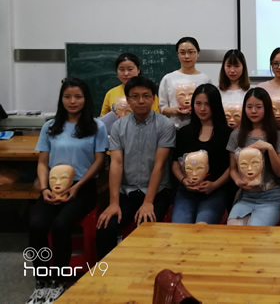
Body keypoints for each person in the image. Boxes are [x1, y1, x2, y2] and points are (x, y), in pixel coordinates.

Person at [28, 78, 108, 303]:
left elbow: (99, 161)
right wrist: (44, 188)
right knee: (36, 225)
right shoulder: (50, 126)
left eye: (78, 97)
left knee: (61, 225)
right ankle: (42, 280)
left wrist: (77, 187)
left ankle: (59, 279)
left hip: (82, 188)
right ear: (61, 99)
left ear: (85, 99)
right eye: (67, 97)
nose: (72, 101)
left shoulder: (97, 126)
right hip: (53, 187)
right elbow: (43, 162)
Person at [96, 76, 175, 259]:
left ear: (153, 99)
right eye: (135, 96)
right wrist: (114, 203)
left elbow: (159, 165)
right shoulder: (118, 126)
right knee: (105, 229)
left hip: (156, 193)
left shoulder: (166, 125)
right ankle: (106, 274)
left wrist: (148, 202)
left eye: (146, 96)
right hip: (127, 192)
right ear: (128, 99)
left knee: (146, 229)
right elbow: (116, 163)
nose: (141, 101)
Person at [171, 84, 232, 224]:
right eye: (198, 103)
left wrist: (214, 185)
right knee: (180, 227)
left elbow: (232, 167)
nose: (202, 108)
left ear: (216, 105)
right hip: (186, 192)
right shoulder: (184, 132)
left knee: (202, 226)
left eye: (207, 104)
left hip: (215, 192)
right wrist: (183, 180)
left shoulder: (226, 133)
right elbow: (175, 162)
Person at [227, 88, 280, 226]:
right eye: (249, 107)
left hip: (270, 196)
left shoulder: (277, 134)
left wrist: (270, 148)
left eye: (258, 107)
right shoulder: (236, 135)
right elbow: (233, 169)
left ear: (267, 108)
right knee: (233, 229)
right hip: (245, 196)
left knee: (256, 230)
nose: (253, 111)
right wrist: (237, 180)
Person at [159, 37, 211, 128]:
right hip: (174, 129)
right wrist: (175, 110)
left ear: (198, 53)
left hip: (199, 128)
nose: (186, 56)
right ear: (177, 54)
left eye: (191, 52)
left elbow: (210, 105)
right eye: (182, 53)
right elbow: (162, 108)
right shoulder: (168, 78)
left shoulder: (205, 79)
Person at [100, 52, 160, 117]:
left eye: (130, 69)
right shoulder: (111, 93)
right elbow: (103, 119)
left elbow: (156, 118)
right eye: (121, 69)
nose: (126, 73)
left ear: (138, 70)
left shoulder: (148, 93)